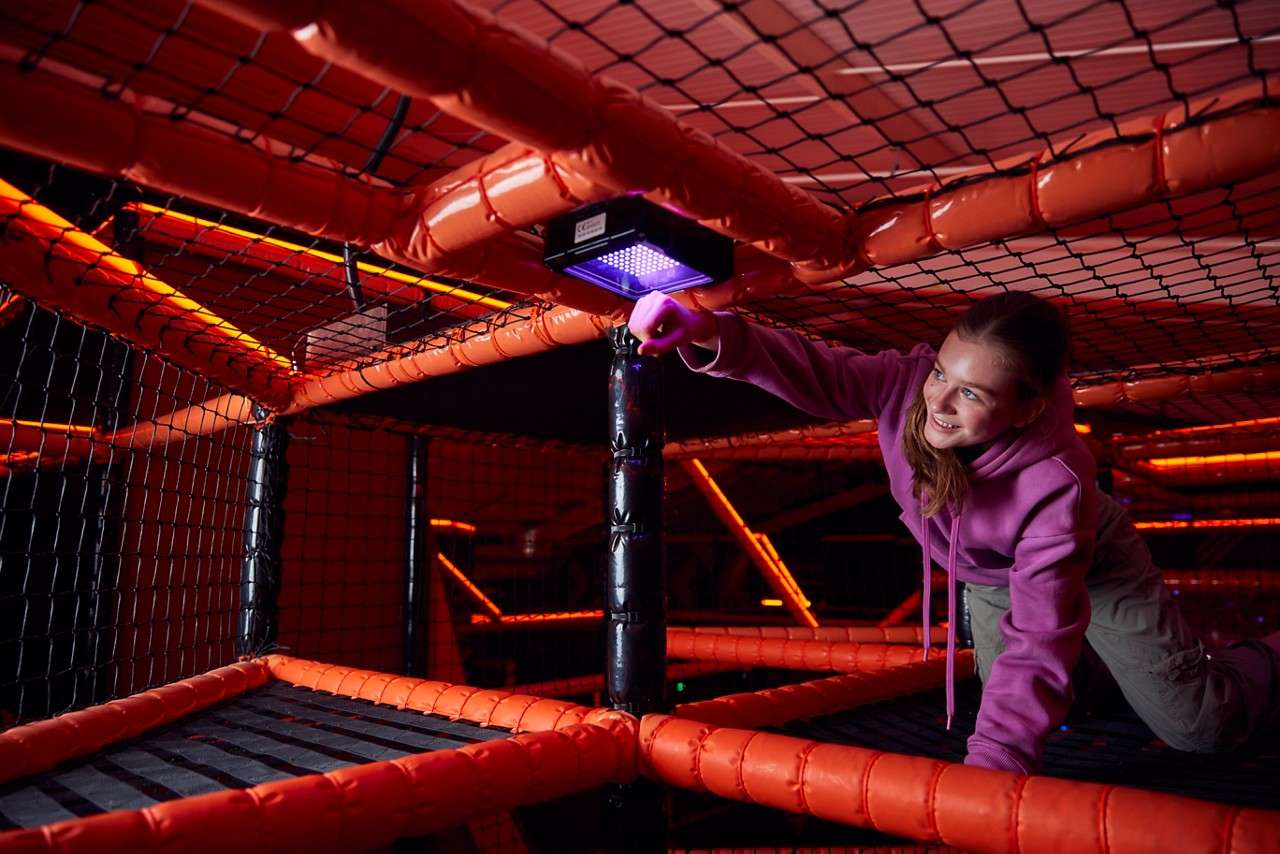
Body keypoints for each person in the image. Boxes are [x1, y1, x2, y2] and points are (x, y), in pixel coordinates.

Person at [629, 289, 1280, 774]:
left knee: (1201, 726)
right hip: (990, 575)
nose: (937, 402)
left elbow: (1040, 632)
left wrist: (989, 772)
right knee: (1055, 705)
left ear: (1026, 409)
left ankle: (1263, 658)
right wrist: (710, 330)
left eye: (972, 393)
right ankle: (1123, 672)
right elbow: (820, 372)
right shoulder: (907, 385)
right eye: (943, 372)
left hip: (1097, 566)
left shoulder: (1057, 481)